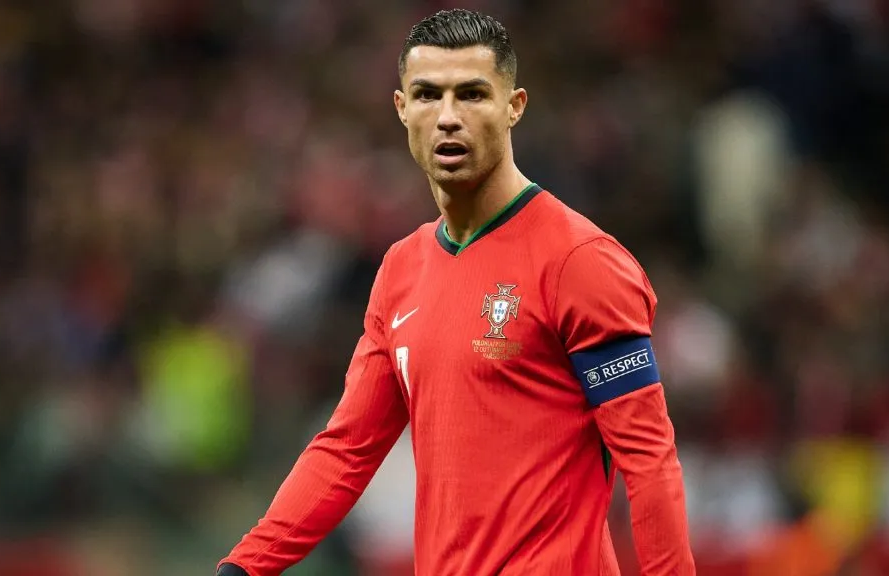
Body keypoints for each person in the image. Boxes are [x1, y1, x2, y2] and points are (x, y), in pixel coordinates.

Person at [217, 8, 694, 576]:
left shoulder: (579, 262)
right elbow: (346, 450)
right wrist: (242, 568)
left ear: (513, 106)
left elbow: (648, 461)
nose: (447, 117)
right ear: (401, 109)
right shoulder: (402, 269)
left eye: (471, 94)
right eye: (427, 95)